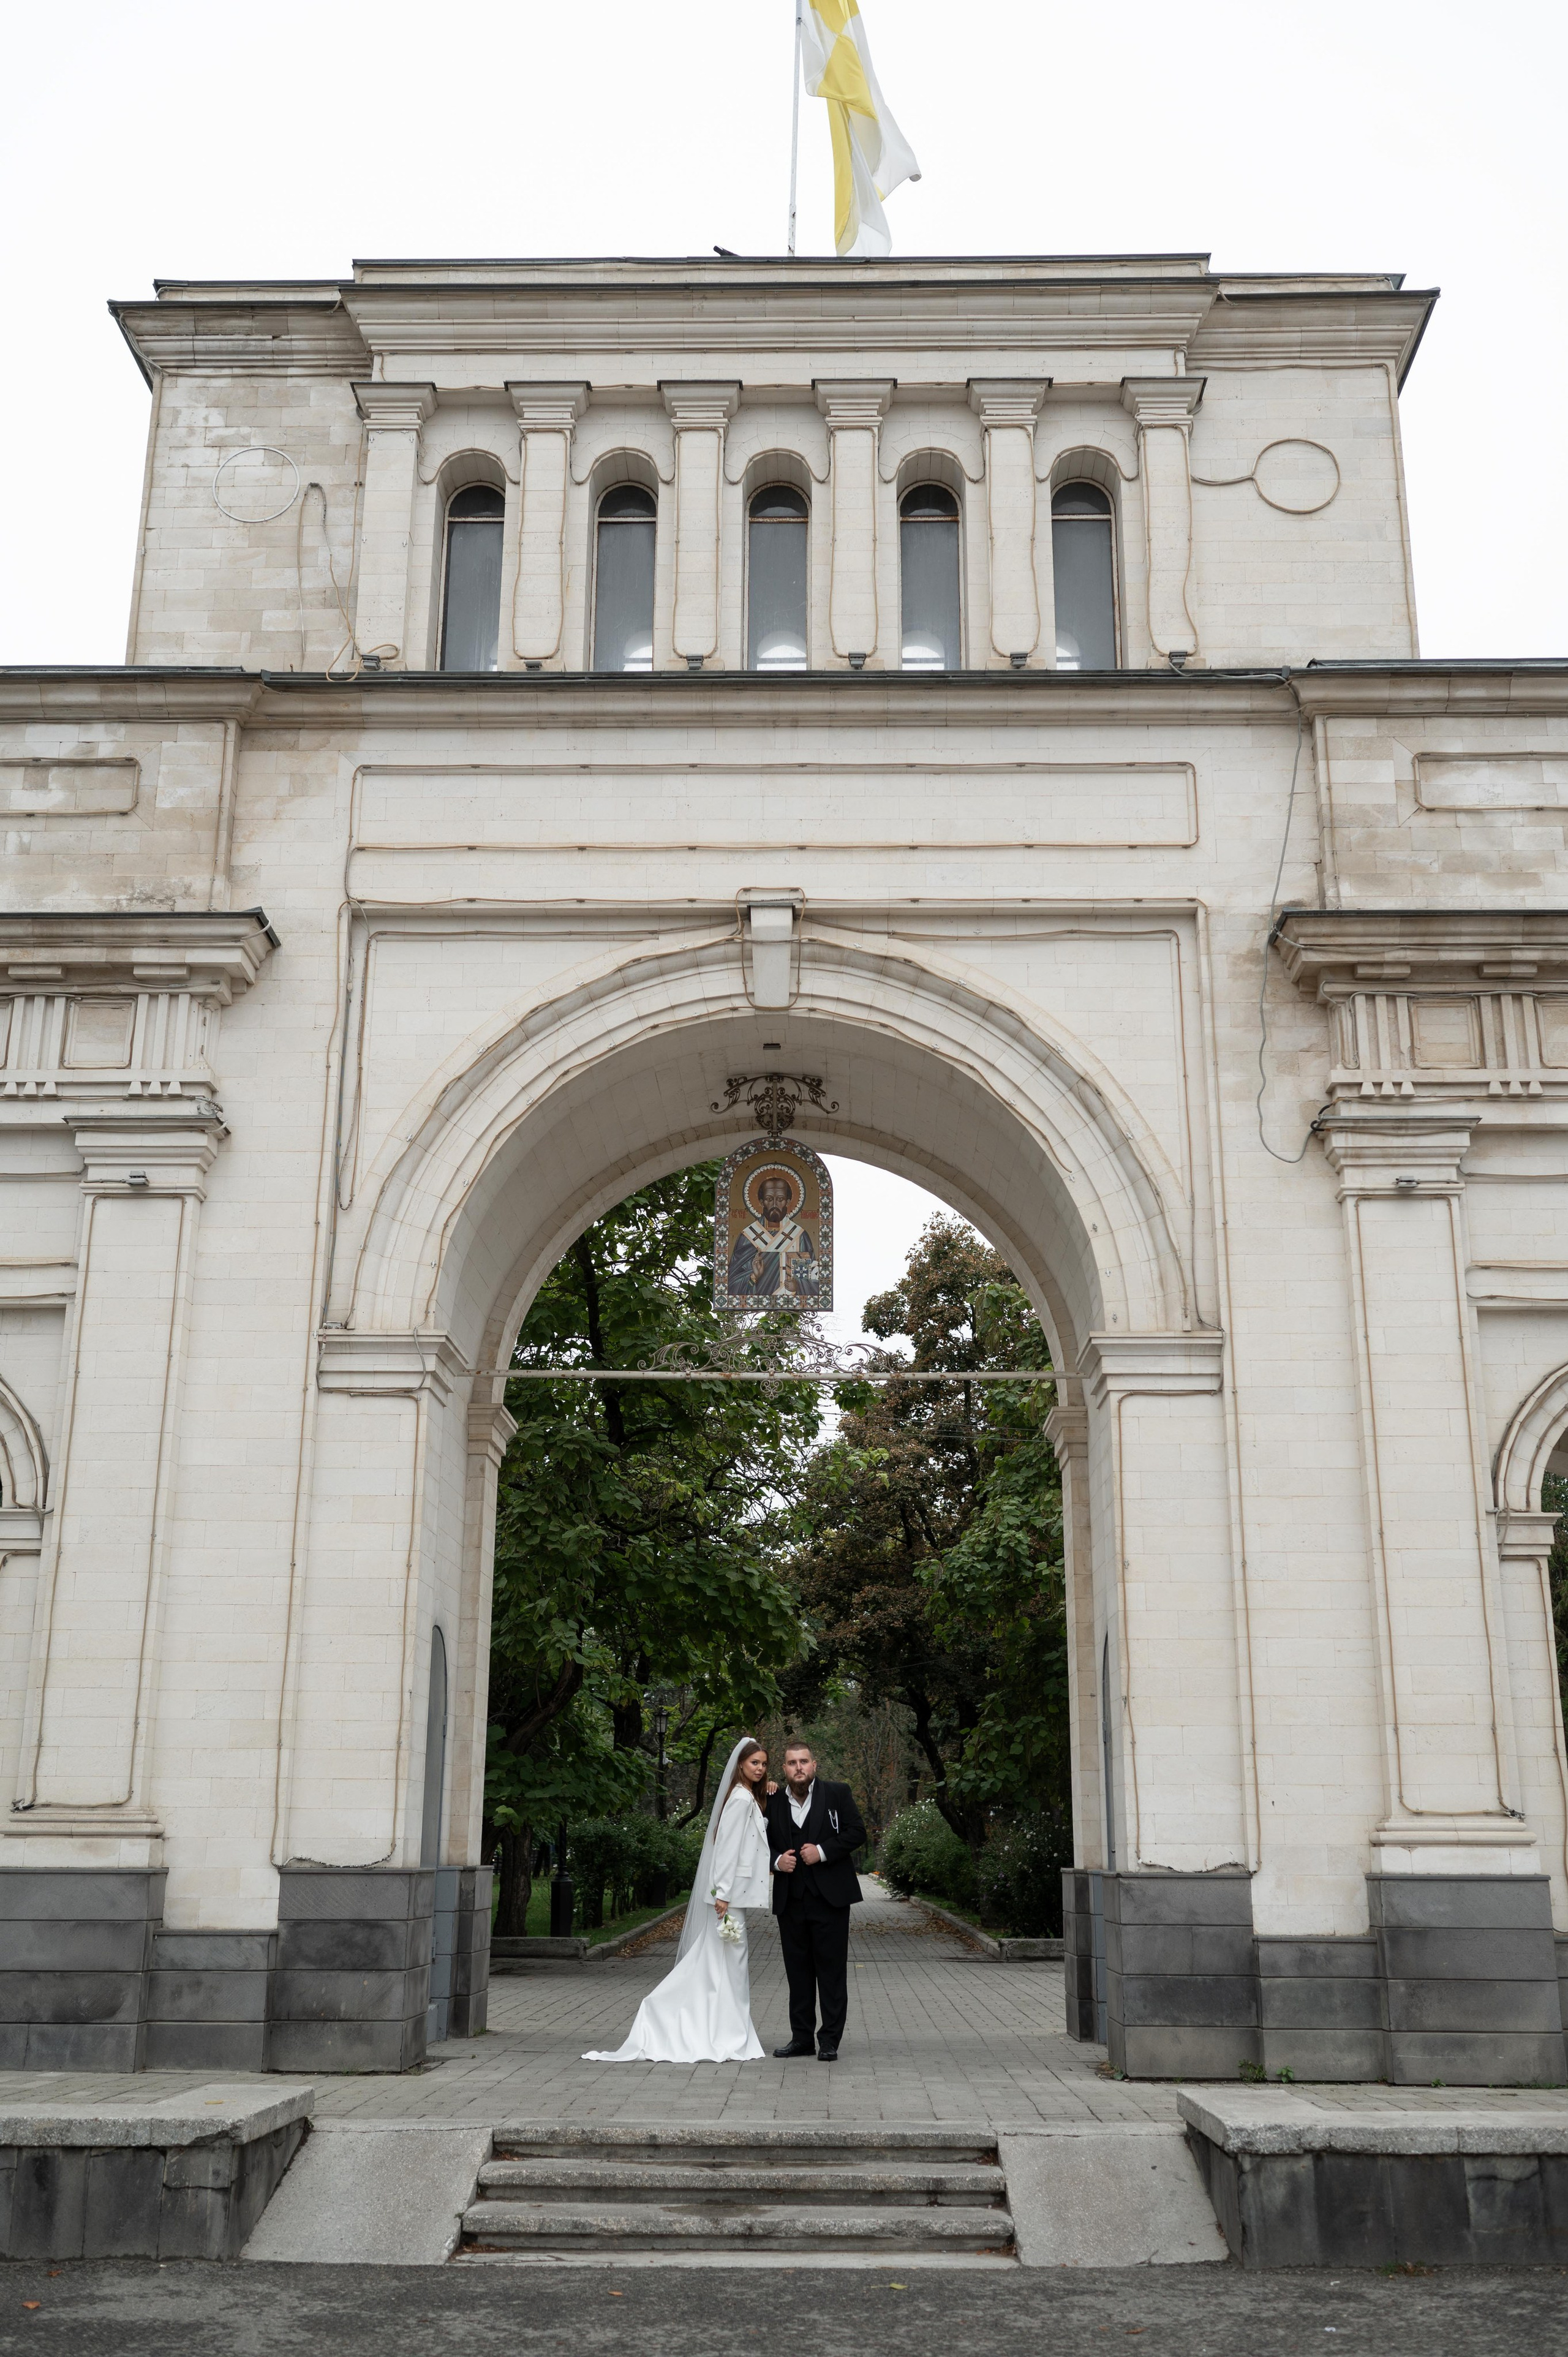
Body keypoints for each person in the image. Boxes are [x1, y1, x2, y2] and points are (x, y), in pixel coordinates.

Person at [582, 1737, 772, 2064]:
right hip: (730, 1897)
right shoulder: (740, 1799)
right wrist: (723, 1894)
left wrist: (770, 1788)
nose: (759, 1768)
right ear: (740, 1764)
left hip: (734, 1896)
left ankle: (721, 2026)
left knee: (718, 1966)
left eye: (764, 1764)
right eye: (754, 1763)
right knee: (729, 1967)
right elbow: (726, 1848)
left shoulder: (744, 1796)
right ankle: (685, 2019)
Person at [764, 1740, 867, 2061]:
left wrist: (822, 1852)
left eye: (804, 1761)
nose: (799, 1768)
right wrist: (776, 1860)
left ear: (814, 1765)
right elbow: (753, 1843)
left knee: (831, 1971)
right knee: (798, 1973)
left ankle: (830, 2040)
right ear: (784, 1769)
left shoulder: (838, 1793)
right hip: (790, 1900)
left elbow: (857, 1832)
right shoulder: (771, 1801)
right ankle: (801, 2039)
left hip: (830, 1900)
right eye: (792, 1763)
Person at [726, 1169, 821, 1302]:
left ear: (788, 1202)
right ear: (761, 1202)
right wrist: (754, 1276)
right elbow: (731, 1284)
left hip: (790, 1301)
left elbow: (815, 1279)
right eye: (770, 1199)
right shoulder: (748, 1236)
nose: (775, 1205)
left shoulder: (800, 1235)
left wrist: (799, 1285)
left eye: (780, 1199)